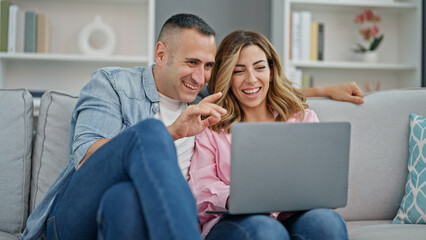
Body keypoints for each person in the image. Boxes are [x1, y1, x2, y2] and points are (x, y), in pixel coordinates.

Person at [21, 13, 359, 240]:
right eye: (191, 62)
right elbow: (86, 160)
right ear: (161, 53)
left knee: (124, 199)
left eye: (209, 66)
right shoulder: (113, 84)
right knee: (152, 135)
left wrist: (322, 90)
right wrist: (170, 134)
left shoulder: (205, 99)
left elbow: (255, 90)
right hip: (74, 213)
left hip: (130, 210)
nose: (200, 77)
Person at [188, 30, 348, 240]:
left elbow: (320, 177)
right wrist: (232, 198)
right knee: (267, 231)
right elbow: (200, 188)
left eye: (260, 68)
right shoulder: (210, 127)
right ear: (227, 76)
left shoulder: (302, 118)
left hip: (295, 214)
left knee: (327, 224)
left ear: (271, 72)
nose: (251, 79)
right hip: (235, 220)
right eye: (239, 71)